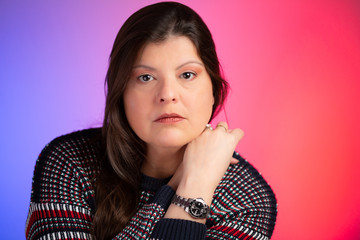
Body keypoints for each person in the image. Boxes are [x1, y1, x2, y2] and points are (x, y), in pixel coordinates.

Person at [25, 2, 277, 239]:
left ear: (213, 89)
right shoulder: (70, 162)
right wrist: (182, 184)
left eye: (187, 74)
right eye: (145, 77)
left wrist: (195, 183)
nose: (167, 95)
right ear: (120, 92)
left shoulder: (247, 196)